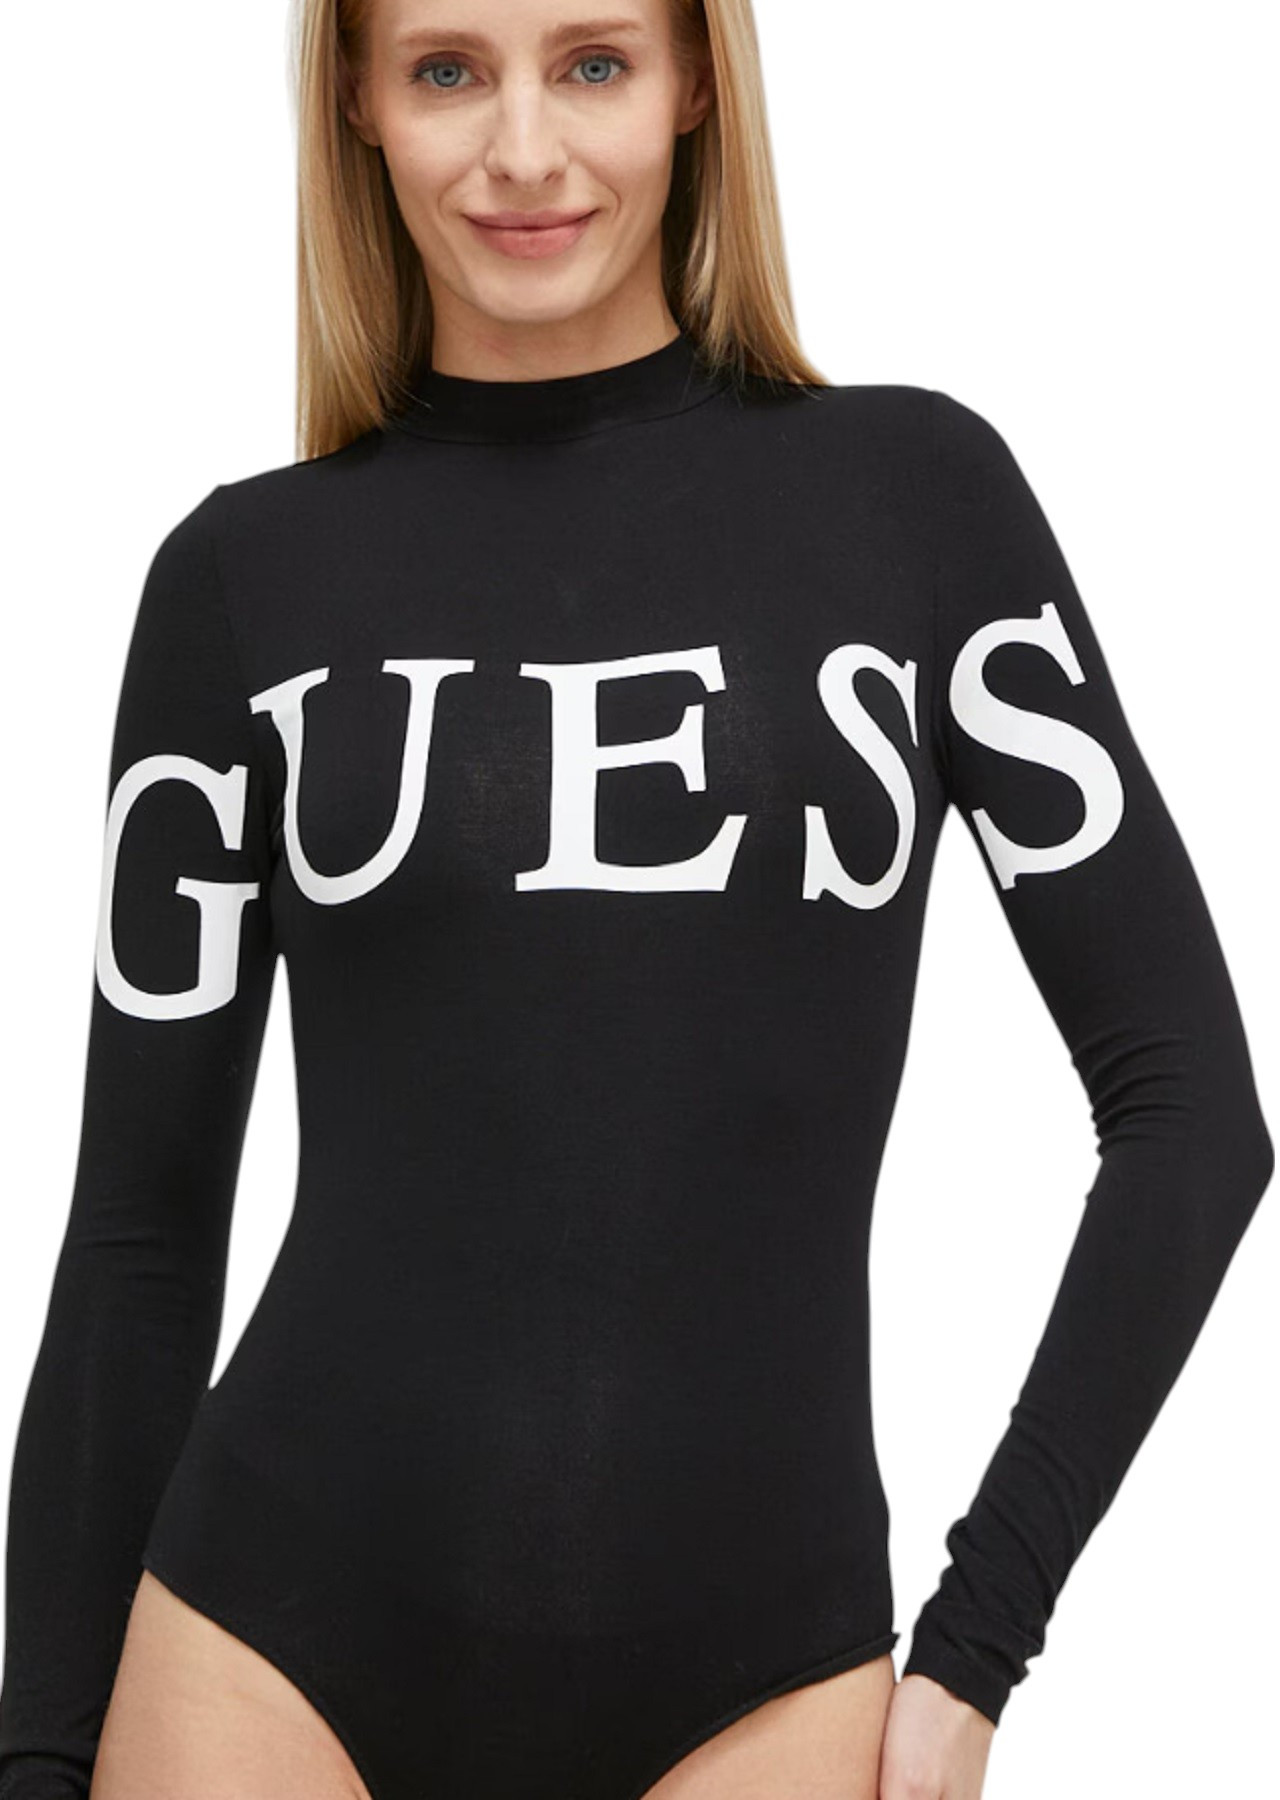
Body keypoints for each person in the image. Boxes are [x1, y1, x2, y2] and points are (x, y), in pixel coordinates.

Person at [0, 0, 1272, 1796]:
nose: (524, 151)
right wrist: (40, 1755)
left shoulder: (915, 503)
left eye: (593, 62)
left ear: (693, 83)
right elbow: (136, 1242)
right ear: (359, 99)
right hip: (263, 1654)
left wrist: (977, 1649)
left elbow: (1193, 1115)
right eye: (448, 69)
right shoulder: (237, 580)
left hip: (763, 1684)